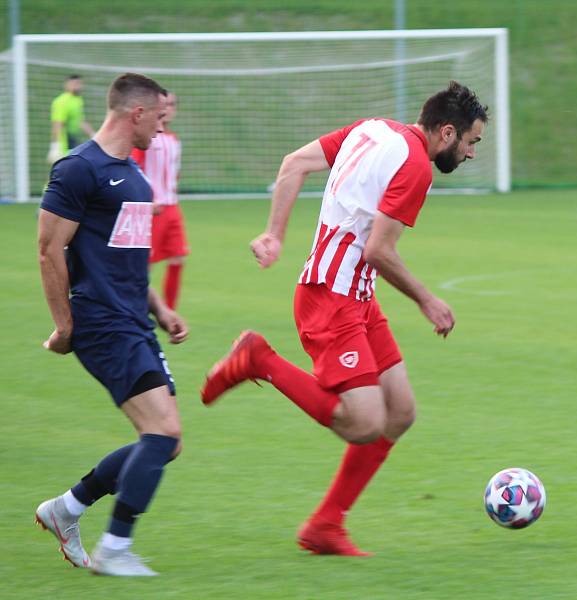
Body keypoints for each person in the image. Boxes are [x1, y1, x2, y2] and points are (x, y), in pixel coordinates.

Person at [201, 81, 488, 555]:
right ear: (447, 132)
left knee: (400, 413)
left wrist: (274, 234)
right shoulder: (416, 167)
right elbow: (378, 251)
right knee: (362, 423)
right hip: (330, 299)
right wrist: (426, 300)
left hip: (355, 296)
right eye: (472, 142)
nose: (472, 154)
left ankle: (326, 525)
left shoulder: (372, 129)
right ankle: (258, 359)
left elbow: (294, 165)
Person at [35, 72, 189, 577]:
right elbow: (48, 249)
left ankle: (69, 507)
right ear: (135, 114)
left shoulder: (137, 178)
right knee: (161, 434)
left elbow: (126, 262)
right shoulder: (79, 170)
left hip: (133, 321)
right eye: (158, 119)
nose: (161, 133)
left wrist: (160, 310)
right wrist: (65, 326)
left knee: (167, 441)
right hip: (100, 322)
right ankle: (115, 549)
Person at [131, 92, 188, 309]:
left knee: (178, 258)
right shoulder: (146, 138)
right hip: (152, 210)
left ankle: (170, 310)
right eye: (165, 105)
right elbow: (135, 168)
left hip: (172, 206)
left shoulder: (174, 140)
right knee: (144, 266)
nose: (169, 109)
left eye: (173, 105)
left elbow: (174, 172)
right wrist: (145, 200)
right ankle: (136, 308)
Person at [48, 74, 95, 164]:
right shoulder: (61, 101)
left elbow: (81, 121)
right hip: (63, 144)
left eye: (79, 83)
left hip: (73, 142)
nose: (77, 86)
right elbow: (57, 123)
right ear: (67, 85)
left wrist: (93, 135)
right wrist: (55, 145)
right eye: (74, 83)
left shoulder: (78, 100)